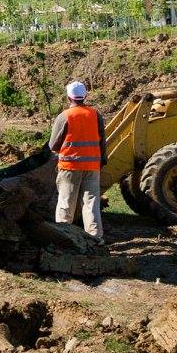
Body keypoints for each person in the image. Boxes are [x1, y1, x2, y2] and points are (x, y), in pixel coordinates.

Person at [49, 81, 106, 242]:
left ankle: (63, 239)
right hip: (92, 167)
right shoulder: (96, 115)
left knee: (66, 204)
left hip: (70, 167)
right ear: (85, 96)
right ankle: (95, 239)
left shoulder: (64, 116)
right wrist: (102, 159)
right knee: (91, 205)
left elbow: (53, 145)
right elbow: (102, 141)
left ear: (69, 97)